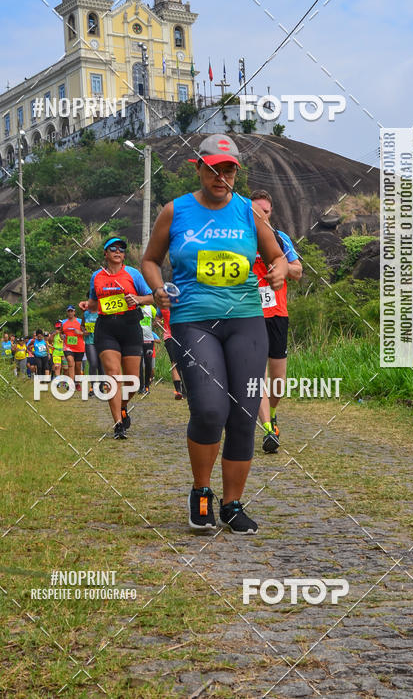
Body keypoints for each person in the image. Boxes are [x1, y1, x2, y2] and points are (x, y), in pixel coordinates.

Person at [142, 134, 289, 533]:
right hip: (193, 319)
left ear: (236, 173)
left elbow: (278, 258)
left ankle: (232, 504)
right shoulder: (176, 211)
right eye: (213, 168)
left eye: (229, 169)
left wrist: (277, 269)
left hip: (246, 319)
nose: (221, 176)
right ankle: (202, 492)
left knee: (243, 412)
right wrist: (156, 289)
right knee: (209, 409)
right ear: (200, 168)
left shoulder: (248, 213)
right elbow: (151, 260)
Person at [79, 237, 153, 440]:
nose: (118, 251)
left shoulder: (133, 274)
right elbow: (94, 303)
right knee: (112, 374)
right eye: (113, 248)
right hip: (107, 328)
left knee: (133, 383)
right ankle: (118, 425)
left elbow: (152, 296)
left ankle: (122, 406)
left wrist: (138, 299)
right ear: (105, 253)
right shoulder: (97, 276)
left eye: (122, 248)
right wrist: (87, 304)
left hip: (130, 327)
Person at [250, 190, 303, 452]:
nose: (262, 215)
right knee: (256, 375)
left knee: (278, 381)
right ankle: (268, 429)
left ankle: (271, 414)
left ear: (271, 213)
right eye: (256, 210)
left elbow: (298, 271)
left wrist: (282, 268)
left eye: (266, 211)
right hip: (249, 315)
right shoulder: (242, 240)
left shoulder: (281, 240)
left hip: (277, 315)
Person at [155, 307, 184, 399]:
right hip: (170, 337)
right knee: (174, 363)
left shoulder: (184, 297)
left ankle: (185, 389)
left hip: (185, 336)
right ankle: (178, 391)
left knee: (186, 363)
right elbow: (157, 319)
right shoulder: (161, 303)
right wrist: (158, 322)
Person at [61, 306, 85, 392]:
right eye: (68, 311)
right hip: (68, 347)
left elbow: (86, 332)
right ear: (67, 312)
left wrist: (80, 332)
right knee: (71, 363)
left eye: (72, 311)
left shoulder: (80, 321)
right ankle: (71, 384)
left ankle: (77, 383)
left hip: (79, 347)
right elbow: (61, 332)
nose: (70, 313)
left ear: (74, 312)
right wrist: (61, 336)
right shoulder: (63, 322)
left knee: (78, 366)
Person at [139, 302, 158, 394]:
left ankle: (147, 386)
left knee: (148, 363)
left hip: (149, 340)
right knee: (138, 364)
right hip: (137, 340)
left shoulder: (151, 307)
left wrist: (156, 322)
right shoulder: (135, 307)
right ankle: (140, 387)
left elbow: (158, 319)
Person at [83, 307, 102, 396]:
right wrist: (84, 331)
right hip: (89, 342)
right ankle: (93, 387)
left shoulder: (101, 311)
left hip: (101, 341)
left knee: (101, 364)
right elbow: (82, 325)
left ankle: (102, 386)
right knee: (93, 363)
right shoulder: (86, 313)